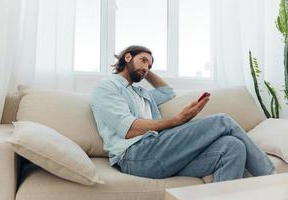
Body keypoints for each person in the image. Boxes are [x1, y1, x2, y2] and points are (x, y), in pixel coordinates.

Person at [91, 45, 275, 182]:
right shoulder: (108, 87)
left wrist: (143, 70)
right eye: (143, 60)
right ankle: (273, 179)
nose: (147, 67)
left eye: (150, 65)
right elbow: (129, 129)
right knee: (222, 121)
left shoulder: (141, 93)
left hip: (161, 155)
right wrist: (178, 120)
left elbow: (167, 92)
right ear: (128, 57)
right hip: (136, 155)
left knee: (233, 147)